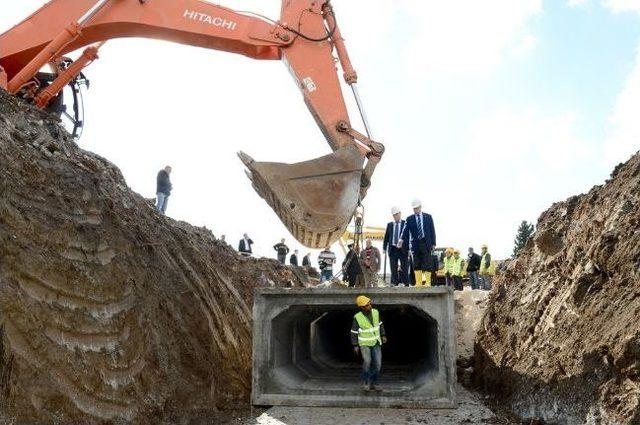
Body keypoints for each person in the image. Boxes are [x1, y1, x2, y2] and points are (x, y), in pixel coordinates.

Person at [351, 295, 386, 391]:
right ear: (362, 307)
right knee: (367, 361)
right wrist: (355, 345)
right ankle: (366, 382)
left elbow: (380, 324)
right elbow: (354, 332)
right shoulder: (357, 317)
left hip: (376, 342)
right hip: (364, 344)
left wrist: (383, 335)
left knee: (378, 364)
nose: (370, 306)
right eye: (367, 305)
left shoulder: (375, 312)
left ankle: (375, 383)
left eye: (370, 304)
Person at [401, 199, 436, 286]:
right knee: (416, 263)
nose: (415, 210)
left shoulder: (428, 217)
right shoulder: (409, 219)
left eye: (417, 208)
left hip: (426, 243)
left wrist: (433, 243)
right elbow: (405, 231)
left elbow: (432, 230)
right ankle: (419, 282)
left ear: (420, 207)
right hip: (415, 244)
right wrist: (401, 240)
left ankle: (427, 282)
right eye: (414, 209)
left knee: (427, 263)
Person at [383, 207, 409, 286]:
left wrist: (409, 248)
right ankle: (394, 282)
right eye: (394, 215)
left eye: (397, 214)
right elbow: (386, 237)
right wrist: (384, 248)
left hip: (402, 249)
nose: (396, 216)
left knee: (404, 266)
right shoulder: (390, 225)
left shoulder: (405, 223)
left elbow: (408, 236)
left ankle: (406, 283)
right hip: (393, 249)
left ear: (400, 213)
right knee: (393, 267)